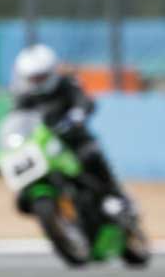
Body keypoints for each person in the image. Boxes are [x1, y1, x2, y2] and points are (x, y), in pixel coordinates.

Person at [8, 44, 135, 219]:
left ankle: (116, 197)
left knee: (91, 157)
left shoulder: (66, 84)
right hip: (45, 148)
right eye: (33, 78)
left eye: (40, 77)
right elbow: (15, 121)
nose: (36, 82)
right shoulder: (24, 97)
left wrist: (77, 115)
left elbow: (84, 102)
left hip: (73, 140)